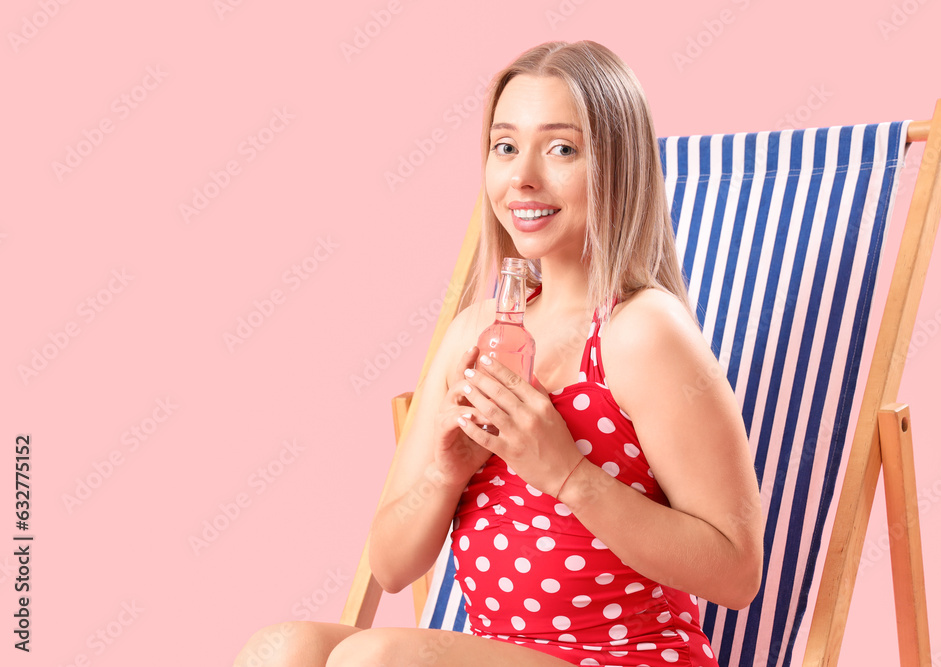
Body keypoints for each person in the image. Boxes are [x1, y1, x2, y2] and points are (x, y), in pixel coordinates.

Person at [233, 40, 763, 667]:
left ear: (618, 167)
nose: (522, 177)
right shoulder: (474, 334)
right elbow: (392, 566)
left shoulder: (640, 331)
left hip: (629, 657)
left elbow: (735, 573)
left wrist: (567, 474)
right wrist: (446, 471)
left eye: (561, 148)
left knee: (373, 660)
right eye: (505, 146)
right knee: (279, 650)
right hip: (501, 653)